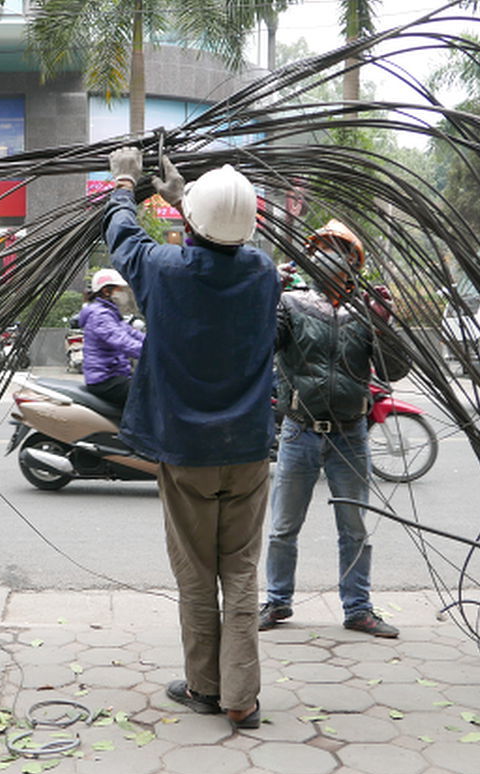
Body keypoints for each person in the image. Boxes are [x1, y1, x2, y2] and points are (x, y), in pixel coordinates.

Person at [104, 146, 279, 730]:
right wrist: (184, 200)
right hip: (249, 449)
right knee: (241, 571)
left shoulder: (164, 272)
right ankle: (242, 697)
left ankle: (205, 688)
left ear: (192, 225)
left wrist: (125, 183)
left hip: (186, 454)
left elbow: (124, 239)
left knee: (196, 574)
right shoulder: (263, 274)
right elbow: (227, 244)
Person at [260, 220, 412, 638]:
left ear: (353, 263)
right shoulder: (290, 304)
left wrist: (383, 322)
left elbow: (395, 369)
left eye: (338, 249)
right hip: (299, 430)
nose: (328, 255)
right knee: (283, 527)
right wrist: (267, 293)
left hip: (350, 434)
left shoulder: (365, 311)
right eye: (322, 247)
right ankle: (277, 600)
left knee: (355, 527)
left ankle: (358, 608)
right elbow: (259, 346)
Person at [78, 268, 145, 406]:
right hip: (105, 379)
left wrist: (159, 343)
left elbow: (131, 333)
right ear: (106, 291)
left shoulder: (110, 313)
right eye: (120, 289)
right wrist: (152, 352)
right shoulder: (100, 316)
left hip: (115, 374)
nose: (124, 294)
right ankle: (131, 428)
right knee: (149, 395)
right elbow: (122, 341)